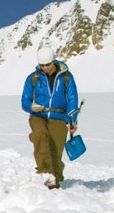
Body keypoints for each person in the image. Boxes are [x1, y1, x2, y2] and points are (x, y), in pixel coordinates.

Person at [21, 46, 79, 189]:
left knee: (56, 149)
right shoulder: (33, 78)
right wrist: (31, 107)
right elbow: (25, 101)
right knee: (40, 134)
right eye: (42, 65)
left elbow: (72, 99)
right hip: (38, 115)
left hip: (59, 116)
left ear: (54, 61)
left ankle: (56, 178)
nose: (45, 68)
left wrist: (72, 120)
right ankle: (46, 173)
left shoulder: (66, 77)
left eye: (48, 64)